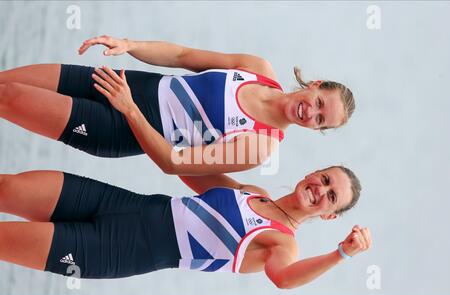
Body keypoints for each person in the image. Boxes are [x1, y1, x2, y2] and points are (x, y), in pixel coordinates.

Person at [0, 36, 355, 175]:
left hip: (121, 128)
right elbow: (182, 56)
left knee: (8, 98)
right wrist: (130, 45)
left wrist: (128, 109)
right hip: (122, 81)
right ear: (315, 84)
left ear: (316, 129)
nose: (312, 112)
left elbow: (175, 164)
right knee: (5, 82)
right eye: (320, 103)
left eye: (321, 120)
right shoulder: (257, 70)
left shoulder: (261, 146)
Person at [0, 165, 371, 288]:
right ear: (313, 172)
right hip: (121, 202)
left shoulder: (282, 245)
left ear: (329, 216)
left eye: (331, 196)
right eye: (324, 179)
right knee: (8, 187)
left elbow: (283, 279)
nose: (319, 189)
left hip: (114, 249)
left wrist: (341, 254)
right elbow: (183, 166)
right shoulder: (253, 192)